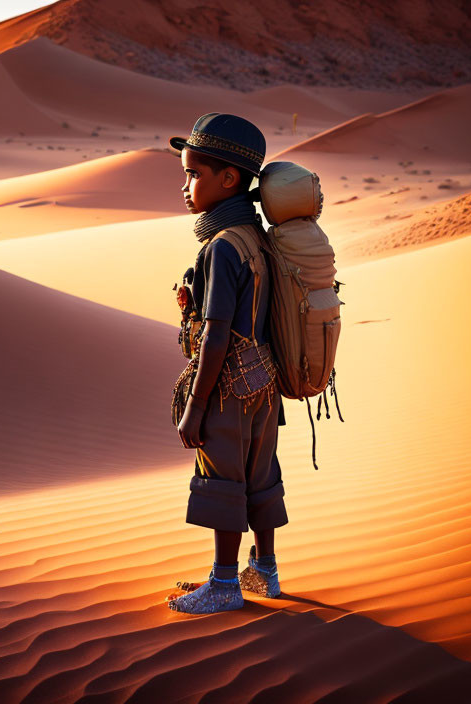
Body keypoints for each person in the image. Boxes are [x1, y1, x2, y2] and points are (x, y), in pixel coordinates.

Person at [167, 113, 288, 614]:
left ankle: (223, 584)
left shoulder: (221, 247)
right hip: (265, 380)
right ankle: (265, 570)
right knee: (260, 475)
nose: (186, 186)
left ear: (229, 178)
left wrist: (195, 409)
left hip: (229, 386)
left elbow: (218, 334)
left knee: (222, 481)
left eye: (193, 174)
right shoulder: (255, 237)